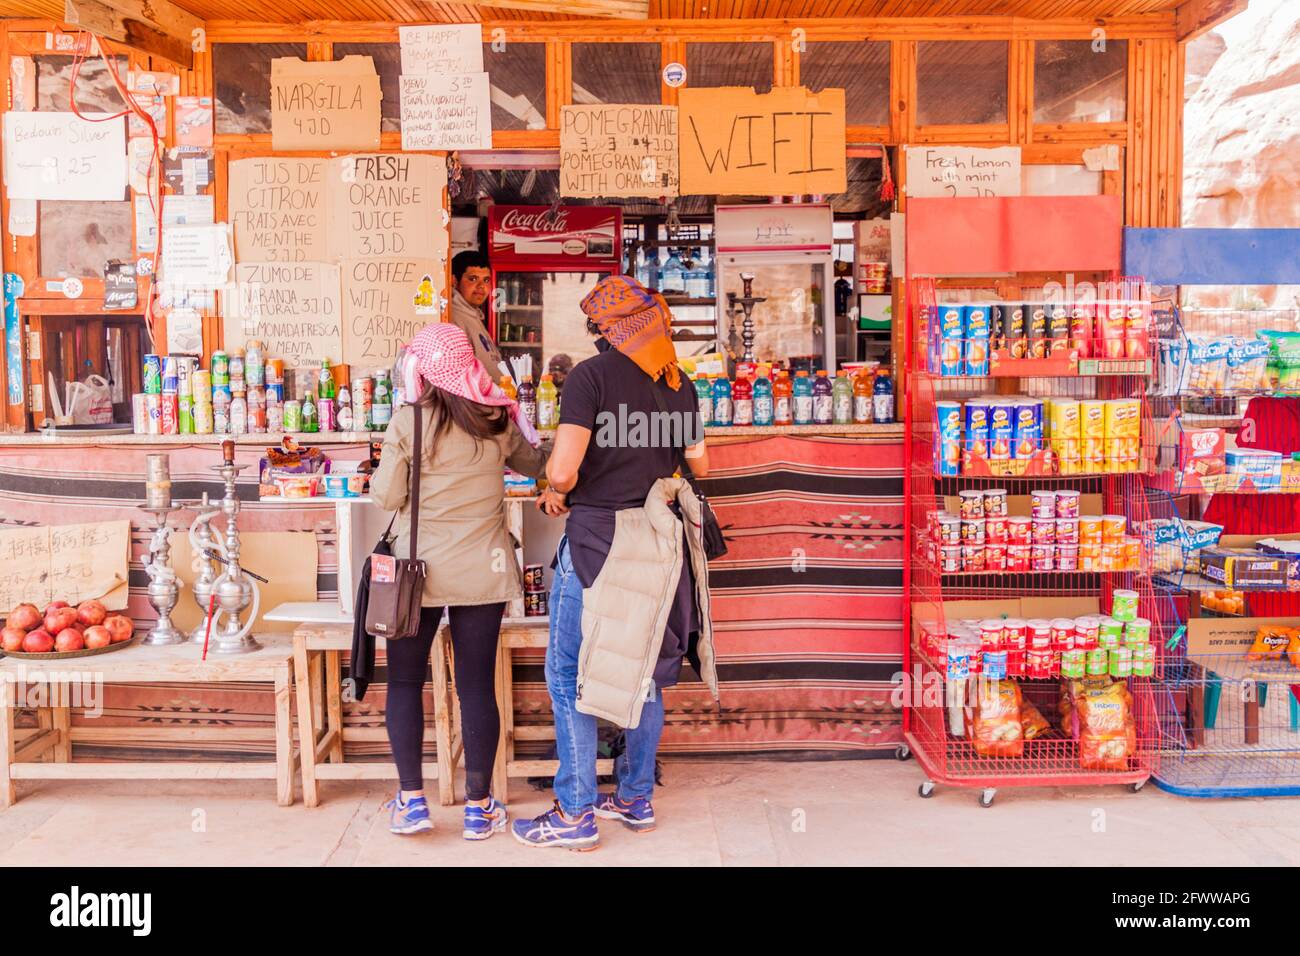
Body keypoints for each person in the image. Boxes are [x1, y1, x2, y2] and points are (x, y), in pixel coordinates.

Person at [513, 275, 719, 851]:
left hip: (599, 541)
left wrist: (561, 485)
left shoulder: (590, 377)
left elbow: (560, 472)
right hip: (659, 541)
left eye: (600, 326)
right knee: (647, 671)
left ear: (610, 329)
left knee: (567, 674)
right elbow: (701, 467)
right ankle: (634, 798)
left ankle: (576, 811)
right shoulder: (680, 385)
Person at [368, 322, 546, 840]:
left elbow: (385, 497)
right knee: (475, 687)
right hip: (482, 572)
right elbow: (535, 464)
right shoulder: (495, 418)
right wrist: (514, 414)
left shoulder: (409, 422)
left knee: (403, 682)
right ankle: (478, 807)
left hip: (415, 575)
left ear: (421, 369)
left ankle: (412, 801)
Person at [448, 249, 506, 377]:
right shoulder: (453, 318)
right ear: (454, 281)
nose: (481, 286)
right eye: (473, 279)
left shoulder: (474, 315)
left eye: (486, 280)